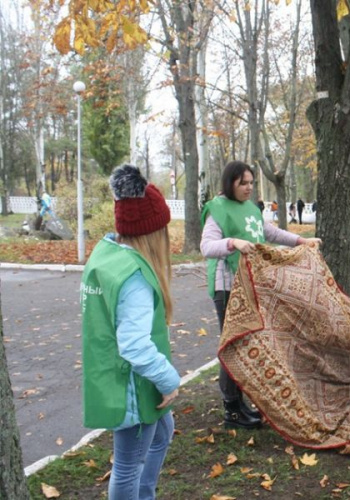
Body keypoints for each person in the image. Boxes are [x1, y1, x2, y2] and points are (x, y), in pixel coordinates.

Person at [81, 164, 180, 500]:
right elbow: (135, 346)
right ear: (152, 233)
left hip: (118, 379)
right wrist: (169, 379)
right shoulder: (135, 277)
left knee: (164, 432)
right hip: (133, 388)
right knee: (127, 466)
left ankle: (145, 495)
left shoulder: (107, 255)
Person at [200, 161, 320, 430]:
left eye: (251, 183)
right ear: (230, 182)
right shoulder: (217, 209)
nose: (248, 188)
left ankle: (240, 403)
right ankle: (231, 409)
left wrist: (302, 241)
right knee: (232, 345)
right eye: (243, 183)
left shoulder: (252, 209)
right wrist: (232, 243)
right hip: (227, 286)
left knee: (245, 344)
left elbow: (270, 232)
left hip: (250, 285)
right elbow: (206, 246)